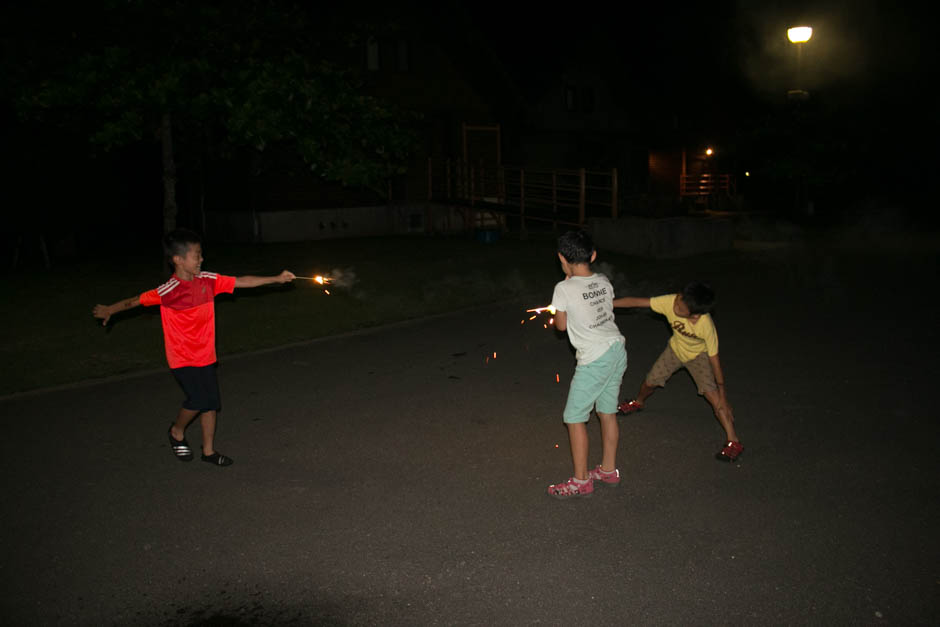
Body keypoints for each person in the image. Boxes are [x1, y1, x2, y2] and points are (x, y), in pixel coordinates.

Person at [92, 228, 295, 467]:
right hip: (182, 358)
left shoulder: (207, 281)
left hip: (206, 355)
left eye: (201, 254)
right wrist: (110, 310)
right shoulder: (169, 291)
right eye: (196, 255)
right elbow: (135, 301)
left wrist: (276, 278)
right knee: (198, 399)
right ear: (178, 260)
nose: (201, 259)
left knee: (210, 403)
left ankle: (208, 451)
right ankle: (176, 431)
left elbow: (241, 281)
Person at [612, 282, 743, 462]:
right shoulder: (671, 301)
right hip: (675, 350)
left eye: (680, 307)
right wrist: (610, 304)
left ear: (695, 315)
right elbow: (636, 301)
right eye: (677, 300)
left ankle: (733, 441)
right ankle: (638, 402)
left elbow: (714, 360)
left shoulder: (705, 326)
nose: (675, 306)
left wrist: (723, 393)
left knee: (716, 399)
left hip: (699, 356)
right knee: (650, 381)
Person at [546, 230, 628, 499]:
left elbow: (560, 325)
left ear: (561, 258)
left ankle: (581, 480)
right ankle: (608, 469)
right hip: (616, 348)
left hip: (595, 359)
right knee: (606, 412)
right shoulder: (603, 281)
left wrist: (565, 294)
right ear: (593, 255)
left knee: (574, 417)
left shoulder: (563, 289)